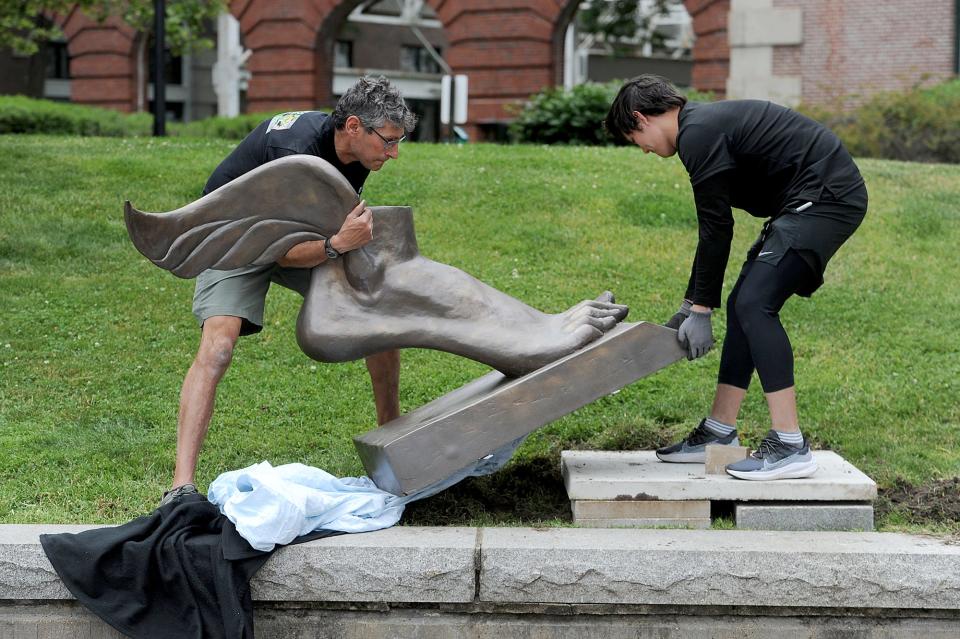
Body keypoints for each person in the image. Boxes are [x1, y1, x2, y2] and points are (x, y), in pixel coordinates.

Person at [160, 76, 417, 505]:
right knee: (218, 345)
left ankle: (392, 450)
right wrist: (337, 245)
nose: (393, 152)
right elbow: (278, 253)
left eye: (398, 141)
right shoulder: (293, 155)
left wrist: (342, 244)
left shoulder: (355, 155)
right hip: (232, 237)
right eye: (389, 141)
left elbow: (307, 236)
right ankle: (180, 486)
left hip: (297, 235)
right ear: (354, 126)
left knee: (379, 319)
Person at [604, 75, 867, 481]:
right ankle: (719, 432)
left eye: (633, 138)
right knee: (744, 302)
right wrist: (692, 304)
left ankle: (789, 443)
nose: (642, 149)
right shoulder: (700, 128)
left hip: (827, 197)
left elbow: (715, 228)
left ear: (641, 118)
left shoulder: (698, 134)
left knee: (753, 303)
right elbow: (713, 228)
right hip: (804, 202)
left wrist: (701, 309)